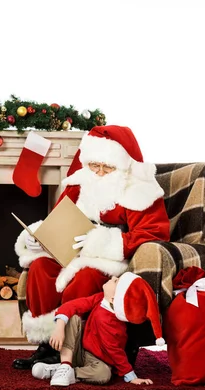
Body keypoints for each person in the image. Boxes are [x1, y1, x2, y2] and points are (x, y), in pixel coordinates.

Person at [13, 125, 170, 369]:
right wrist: (38, 237)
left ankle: (70, 346)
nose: (98, 172)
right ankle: (46, 344)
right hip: (71, 251)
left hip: (109, 260)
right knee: (41, 267)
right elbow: (58, 218)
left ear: (122, 164)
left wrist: (101, 241)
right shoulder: (80, 182)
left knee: (85, 277)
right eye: (94, 165)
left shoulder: (141, 191)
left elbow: (153, 233)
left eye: (107, 167)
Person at [32, 272, 165, 386]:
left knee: (104, 375)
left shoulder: (113, 326)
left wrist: (131, 377)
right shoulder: (100, 298)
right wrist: (59, 327)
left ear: (114, 299)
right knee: (73, 318)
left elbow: (116, 352)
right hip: (78, 349)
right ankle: (65, 364)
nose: (113, 277)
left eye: (116, 281)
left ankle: (64, 371)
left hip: (96, 360)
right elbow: (73, 305)